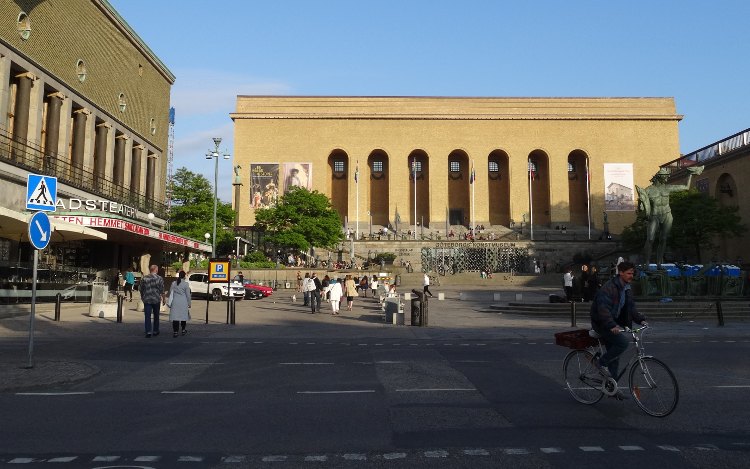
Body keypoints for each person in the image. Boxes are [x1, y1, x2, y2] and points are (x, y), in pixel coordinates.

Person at [590, 261, 647, 399]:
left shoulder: (626, 288)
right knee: (622, 343)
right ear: (620, 272)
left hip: (612, 322)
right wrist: (611, 325)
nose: (631, 276)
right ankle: (600, 363)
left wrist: (640, 319)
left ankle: (611, 387)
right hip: (602, 323)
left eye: (632, 273)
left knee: (614, 357)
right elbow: (603, 309)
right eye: (628, 273)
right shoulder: (609, 288)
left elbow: (631, 307)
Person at [636, 165, 703, 266]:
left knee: (663, 239)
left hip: (667, 214)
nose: (667, 178)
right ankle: (646, 263)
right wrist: (640, 204)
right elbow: (643, 207)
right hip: (654, 216)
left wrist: (689, 175)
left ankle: (659, 263)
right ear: (659, 177)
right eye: (665, 176)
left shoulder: (667, 188)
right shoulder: (648, 190)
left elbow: (686, 187)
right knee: (650, 239)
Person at [140, 264, 165, 338]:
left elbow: (141, 288)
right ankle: (155, 330)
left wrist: (142, 297)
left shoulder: (144, 278)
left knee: (147, 316)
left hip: (147, 299)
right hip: (156, 299)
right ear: (156, 270)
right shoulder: (159, 278)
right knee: (156, 315)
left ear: (150, 270)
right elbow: (162, 290)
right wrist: (164, 299)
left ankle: (148, 331)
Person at [167, 270, 191, 337]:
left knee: (175, 317)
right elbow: (188, 295)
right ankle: (183, 330)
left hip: (175, 301)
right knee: (183, 317)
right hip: (183, 302)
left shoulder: (174, 283)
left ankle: (175, 332)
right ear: (184, 276)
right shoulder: (186, 284)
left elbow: (170, 291)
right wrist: (189, 303)